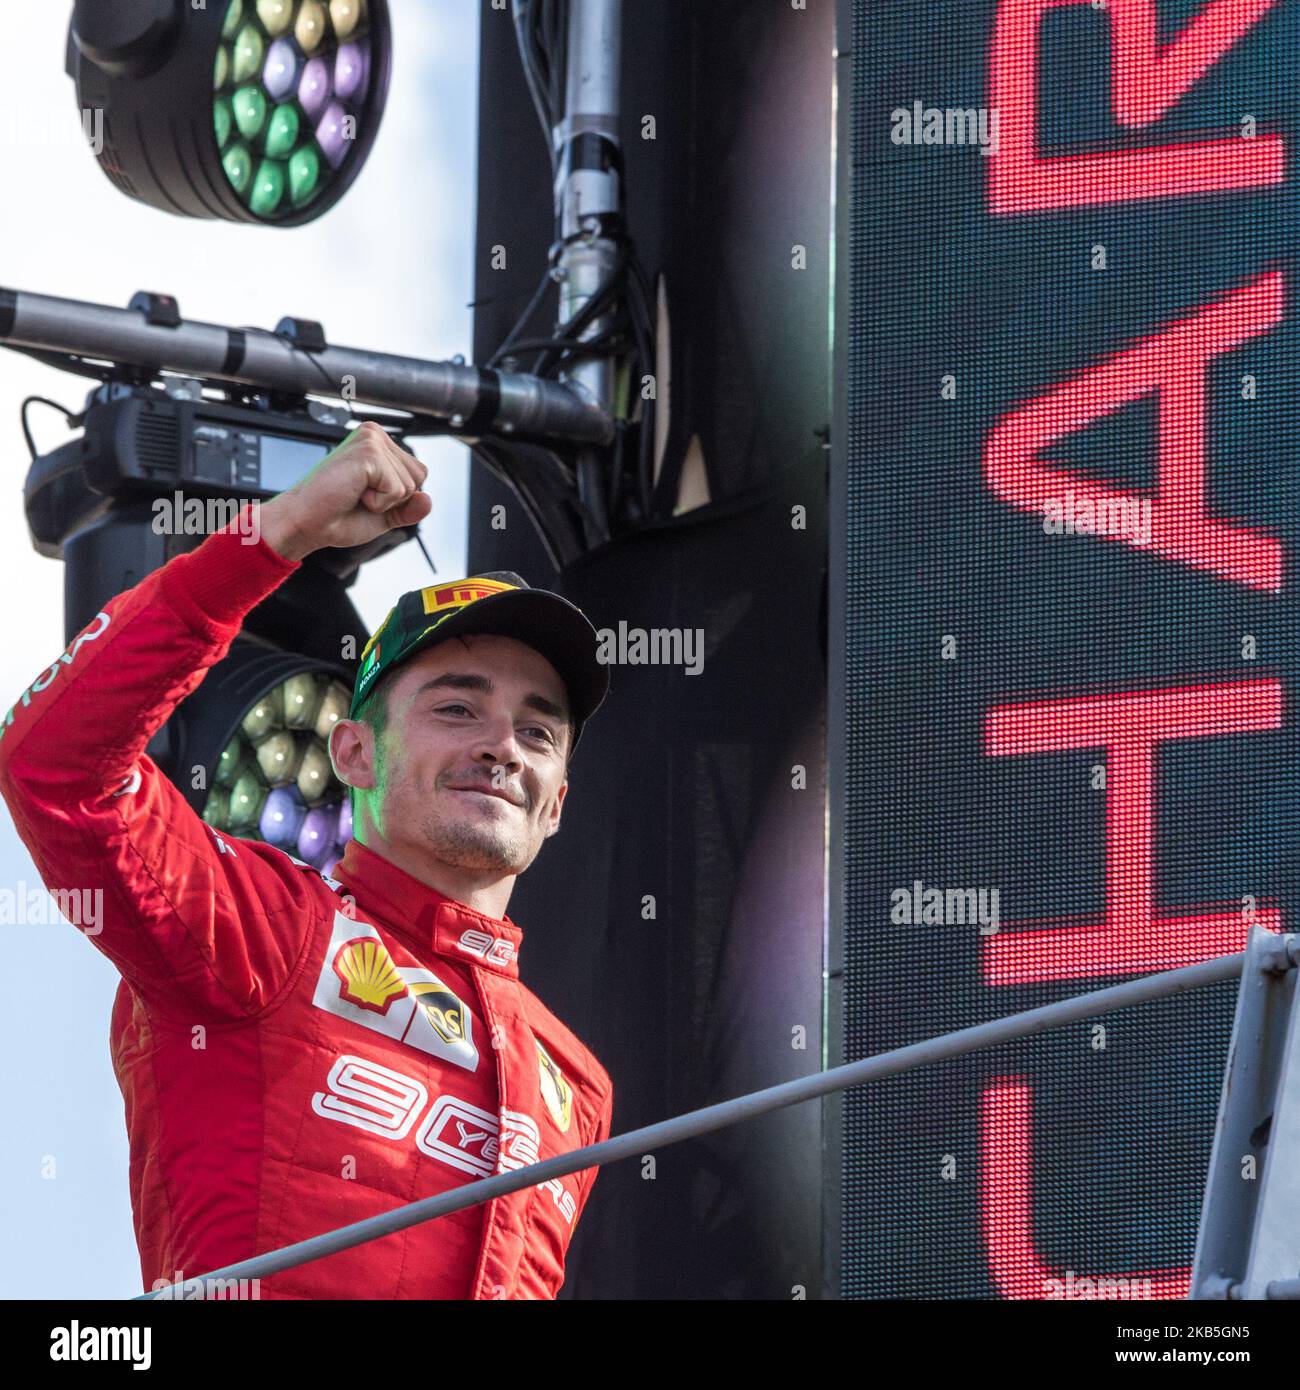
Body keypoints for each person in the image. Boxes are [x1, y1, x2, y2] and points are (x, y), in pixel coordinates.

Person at [0, 422, 614, 1300]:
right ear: (355, 756)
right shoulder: (261, 925)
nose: (502, 747)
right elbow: (51, 765)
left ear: (556, 802)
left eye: (538, 730)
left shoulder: (574, 1079)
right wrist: (276, 536)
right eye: (455, 709)